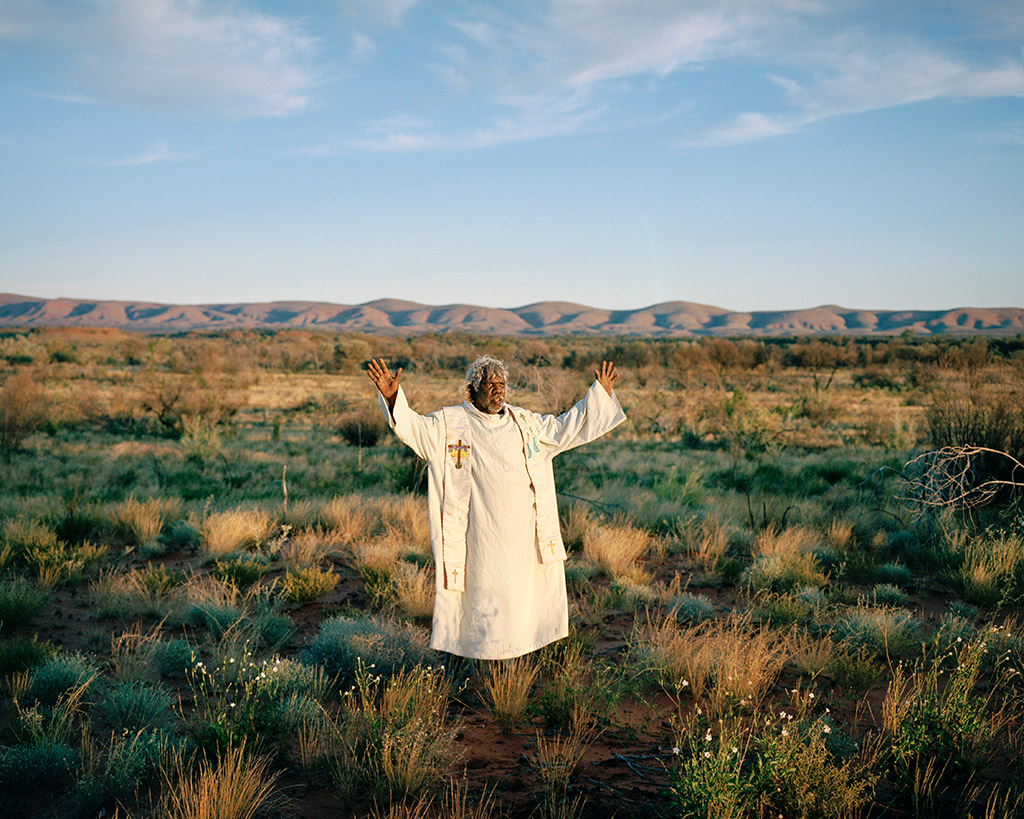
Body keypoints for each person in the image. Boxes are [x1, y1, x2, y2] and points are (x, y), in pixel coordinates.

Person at [367, 355, 626, 660]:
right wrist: (392, 396)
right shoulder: (449, 425)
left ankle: (520, 659)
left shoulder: (526, 424)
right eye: (488, 384)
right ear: (472, 391)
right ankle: (476, 662)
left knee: (521, 603)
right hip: (479, 538)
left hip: (523, 538)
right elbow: (415, 430)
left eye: (501, 383)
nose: (497, 390)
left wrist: (599, 395)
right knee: (481, 604)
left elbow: (565, 427)